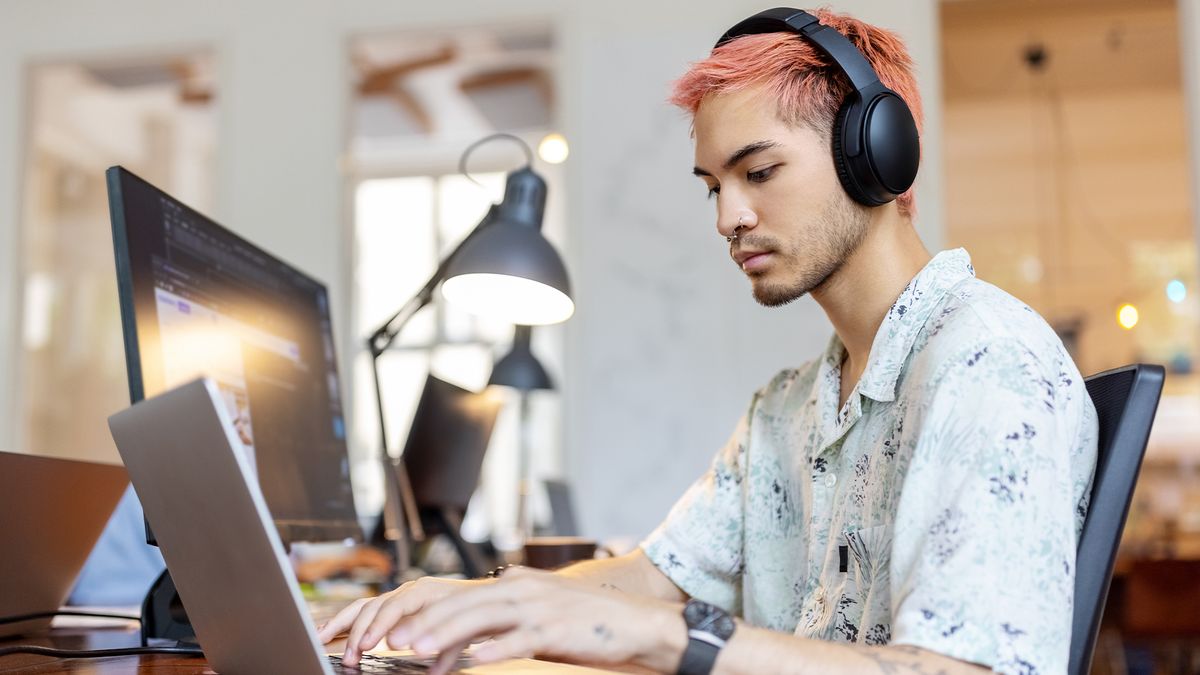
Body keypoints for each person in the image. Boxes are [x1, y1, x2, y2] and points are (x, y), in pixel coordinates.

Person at [318, 8, 1098, 675]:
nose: (727, 217)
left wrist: (672, 638)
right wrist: (479, 599)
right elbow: (653, 576)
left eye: (758, 172)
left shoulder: (988, 363)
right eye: (713, 186)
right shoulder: (788, 408)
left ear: (877, 155)